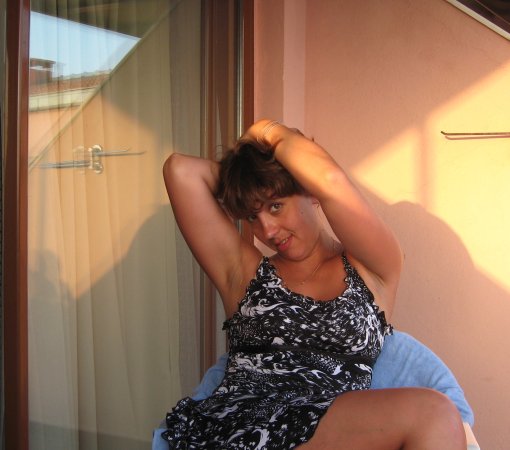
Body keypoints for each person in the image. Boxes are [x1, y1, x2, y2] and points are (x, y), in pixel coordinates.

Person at [161, 120, 466, 449]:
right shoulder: (243, 273)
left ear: (311, 192)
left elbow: (330, 180)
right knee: (434, 413)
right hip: (240, 424)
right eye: (252, 216)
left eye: (276, 206)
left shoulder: (372, 270)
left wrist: (267, 131)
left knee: (435, 413)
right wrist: (245, 176)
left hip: (330, 428)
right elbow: (181, 171)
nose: (267, 230)